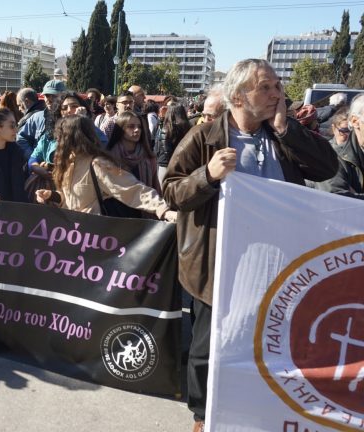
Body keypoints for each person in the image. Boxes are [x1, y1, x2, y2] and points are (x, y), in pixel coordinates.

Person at [162, 59, 339, 432]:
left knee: (263, 338)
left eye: (278, 86)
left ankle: (253, 405)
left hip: (275, 261)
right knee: (208, 345)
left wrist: (288, 130)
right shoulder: (204, 137)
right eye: (266, 87)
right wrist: (207, 176)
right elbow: (173, 192)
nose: (278, 94)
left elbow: (327, 168)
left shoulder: (282, 134)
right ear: (239, 96)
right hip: (218, 261)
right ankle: (203, 415)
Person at [34, 115, 174, 221]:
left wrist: (163, 210)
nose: (57, 140)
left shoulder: (97, 164)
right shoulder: (67, 164)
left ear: (72, 137)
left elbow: (132, 189)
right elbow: (72, 201)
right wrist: (52, 196)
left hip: (96, 238)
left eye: (60, 136)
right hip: (74, 237)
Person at [316, 95, 364, 198]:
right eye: (343, 130)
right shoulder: (331, 158)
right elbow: (336, 200)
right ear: (355, 122)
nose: (346, 134)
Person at [106, 111, 160, 195]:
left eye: (139, 127)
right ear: (121, 129)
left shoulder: (148, 156)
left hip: (146, 201)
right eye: (131, 126)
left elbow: (155, 186)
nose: (137, 130)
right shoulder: (110, 157)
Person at [17, 79, 66, 160]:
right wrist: (33, 158)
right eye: (46, 96)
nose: (49, 99)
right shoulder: (36, 118)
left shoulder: (71, 118)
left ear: (64, 97)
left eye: (54, 96)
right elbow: (21, 138)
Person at [155, 103, 191, 182]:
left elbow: (166, 151)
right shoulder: (188, 127)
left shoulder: (167, 129)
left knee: (164, 187)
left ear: (169, 113)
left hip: (166, 164)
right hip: (183, 164)